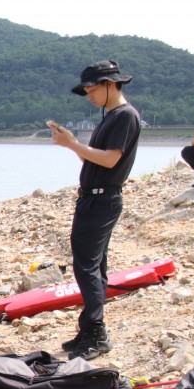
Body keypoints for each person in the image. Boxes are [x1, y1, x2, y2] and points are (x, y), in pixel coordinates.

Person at [50, 60, 141, 360]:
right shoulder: (111, 117)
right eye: (87, 90)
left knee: (86, 265)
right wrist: (74, 147)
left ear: (110, 84)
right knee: (93, 265)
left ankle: (96, 331)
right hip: (94, 197)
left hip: (103, 199)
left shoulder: (125, 116)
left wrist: (73, 144)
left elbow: (111, 160)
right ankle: (89, 327)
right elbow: (96, 160)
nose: (89, 95)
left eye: (92, 89)